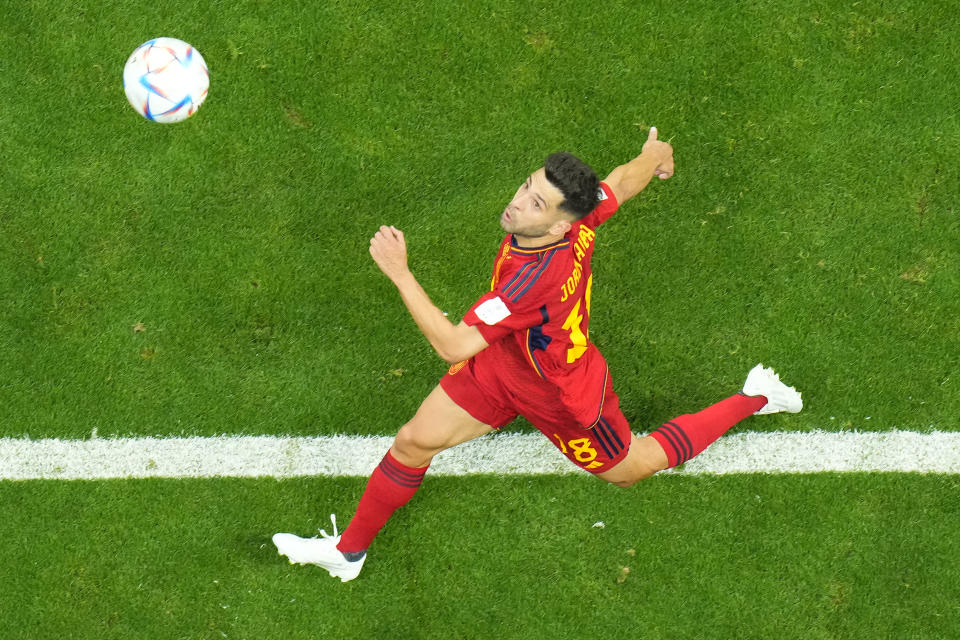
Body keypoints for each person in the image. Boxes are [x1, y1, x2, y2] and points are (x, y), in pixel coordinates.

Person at [273, 127, 802, 582]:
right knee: (414, 442)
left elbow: (454, 344)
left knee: (631, 468)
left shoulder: (533, 279)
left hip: (562, 395)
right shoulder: (572, 220)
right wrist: (656, 154)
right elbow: (618, 182)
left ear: (557, 226)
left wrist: (399, 271)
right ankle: (348, 554)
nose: (518, 202)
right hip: (504, 367)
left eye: (535, 204)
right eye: (527, 186)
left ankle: (756, 396)